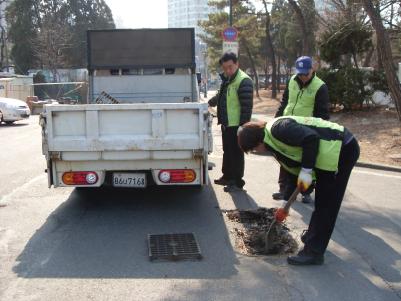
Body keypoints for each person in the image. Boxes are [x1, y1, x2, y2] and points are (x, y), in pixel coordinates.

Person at [237, 116, 359, 265]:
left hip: (341, 150)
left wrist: (306, 171)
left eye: (254, 149)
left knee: (326, 205)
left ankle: (313, 252)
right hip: (327, 157)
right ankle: (314, 237)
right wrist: (285, 204)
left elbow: (311, 138)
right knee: (322, 204)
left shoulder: (279, 128)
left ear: (258, 141)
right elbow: (292, 170)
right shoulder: (273, 144)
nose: (257, 151)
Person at [274, 56, 330, 204]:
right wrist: (276, 119)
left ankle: (306, 191)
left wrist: (319, 133)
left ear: (312, 69)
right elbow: (285, 102)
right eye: (300, 73)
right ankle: (283, 188)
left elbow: (323, 114)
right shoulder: (292, 81)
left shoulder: (320, 87)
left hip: (306, 130)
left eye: (306, 73)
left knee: (306, 161)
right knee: (285, 158)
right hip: (287, 125)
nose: (303, 77)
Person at [208, 52, 253, 192]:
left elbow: (246, 107)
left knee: (236, 153)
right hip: (227, 124)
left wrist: (243, 127)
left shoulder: (243, 80)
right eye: (225, 68)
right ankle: (227, 176)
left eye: (230, 67)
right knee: (227, 151)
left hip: (237, 125)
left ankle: (237, 181)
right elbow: (220, 95)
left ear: (237, 64)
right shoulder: (227, 80)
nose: (228, 70)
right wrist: (209, 103)